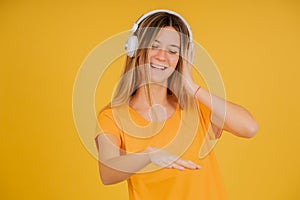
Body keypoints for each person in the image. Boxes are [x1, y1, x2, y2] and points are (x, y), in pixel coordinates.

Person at [95, 9, 258, 200]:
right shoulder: (112, 117)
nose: (162, 57)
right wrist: (148, 156)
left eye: (173, 51)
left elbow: (249, 128)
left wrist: (192, 87)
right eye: (154, 46)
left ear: (182, 58)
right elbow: (107, 172)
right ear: (136, 50)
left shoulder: (194, 106)